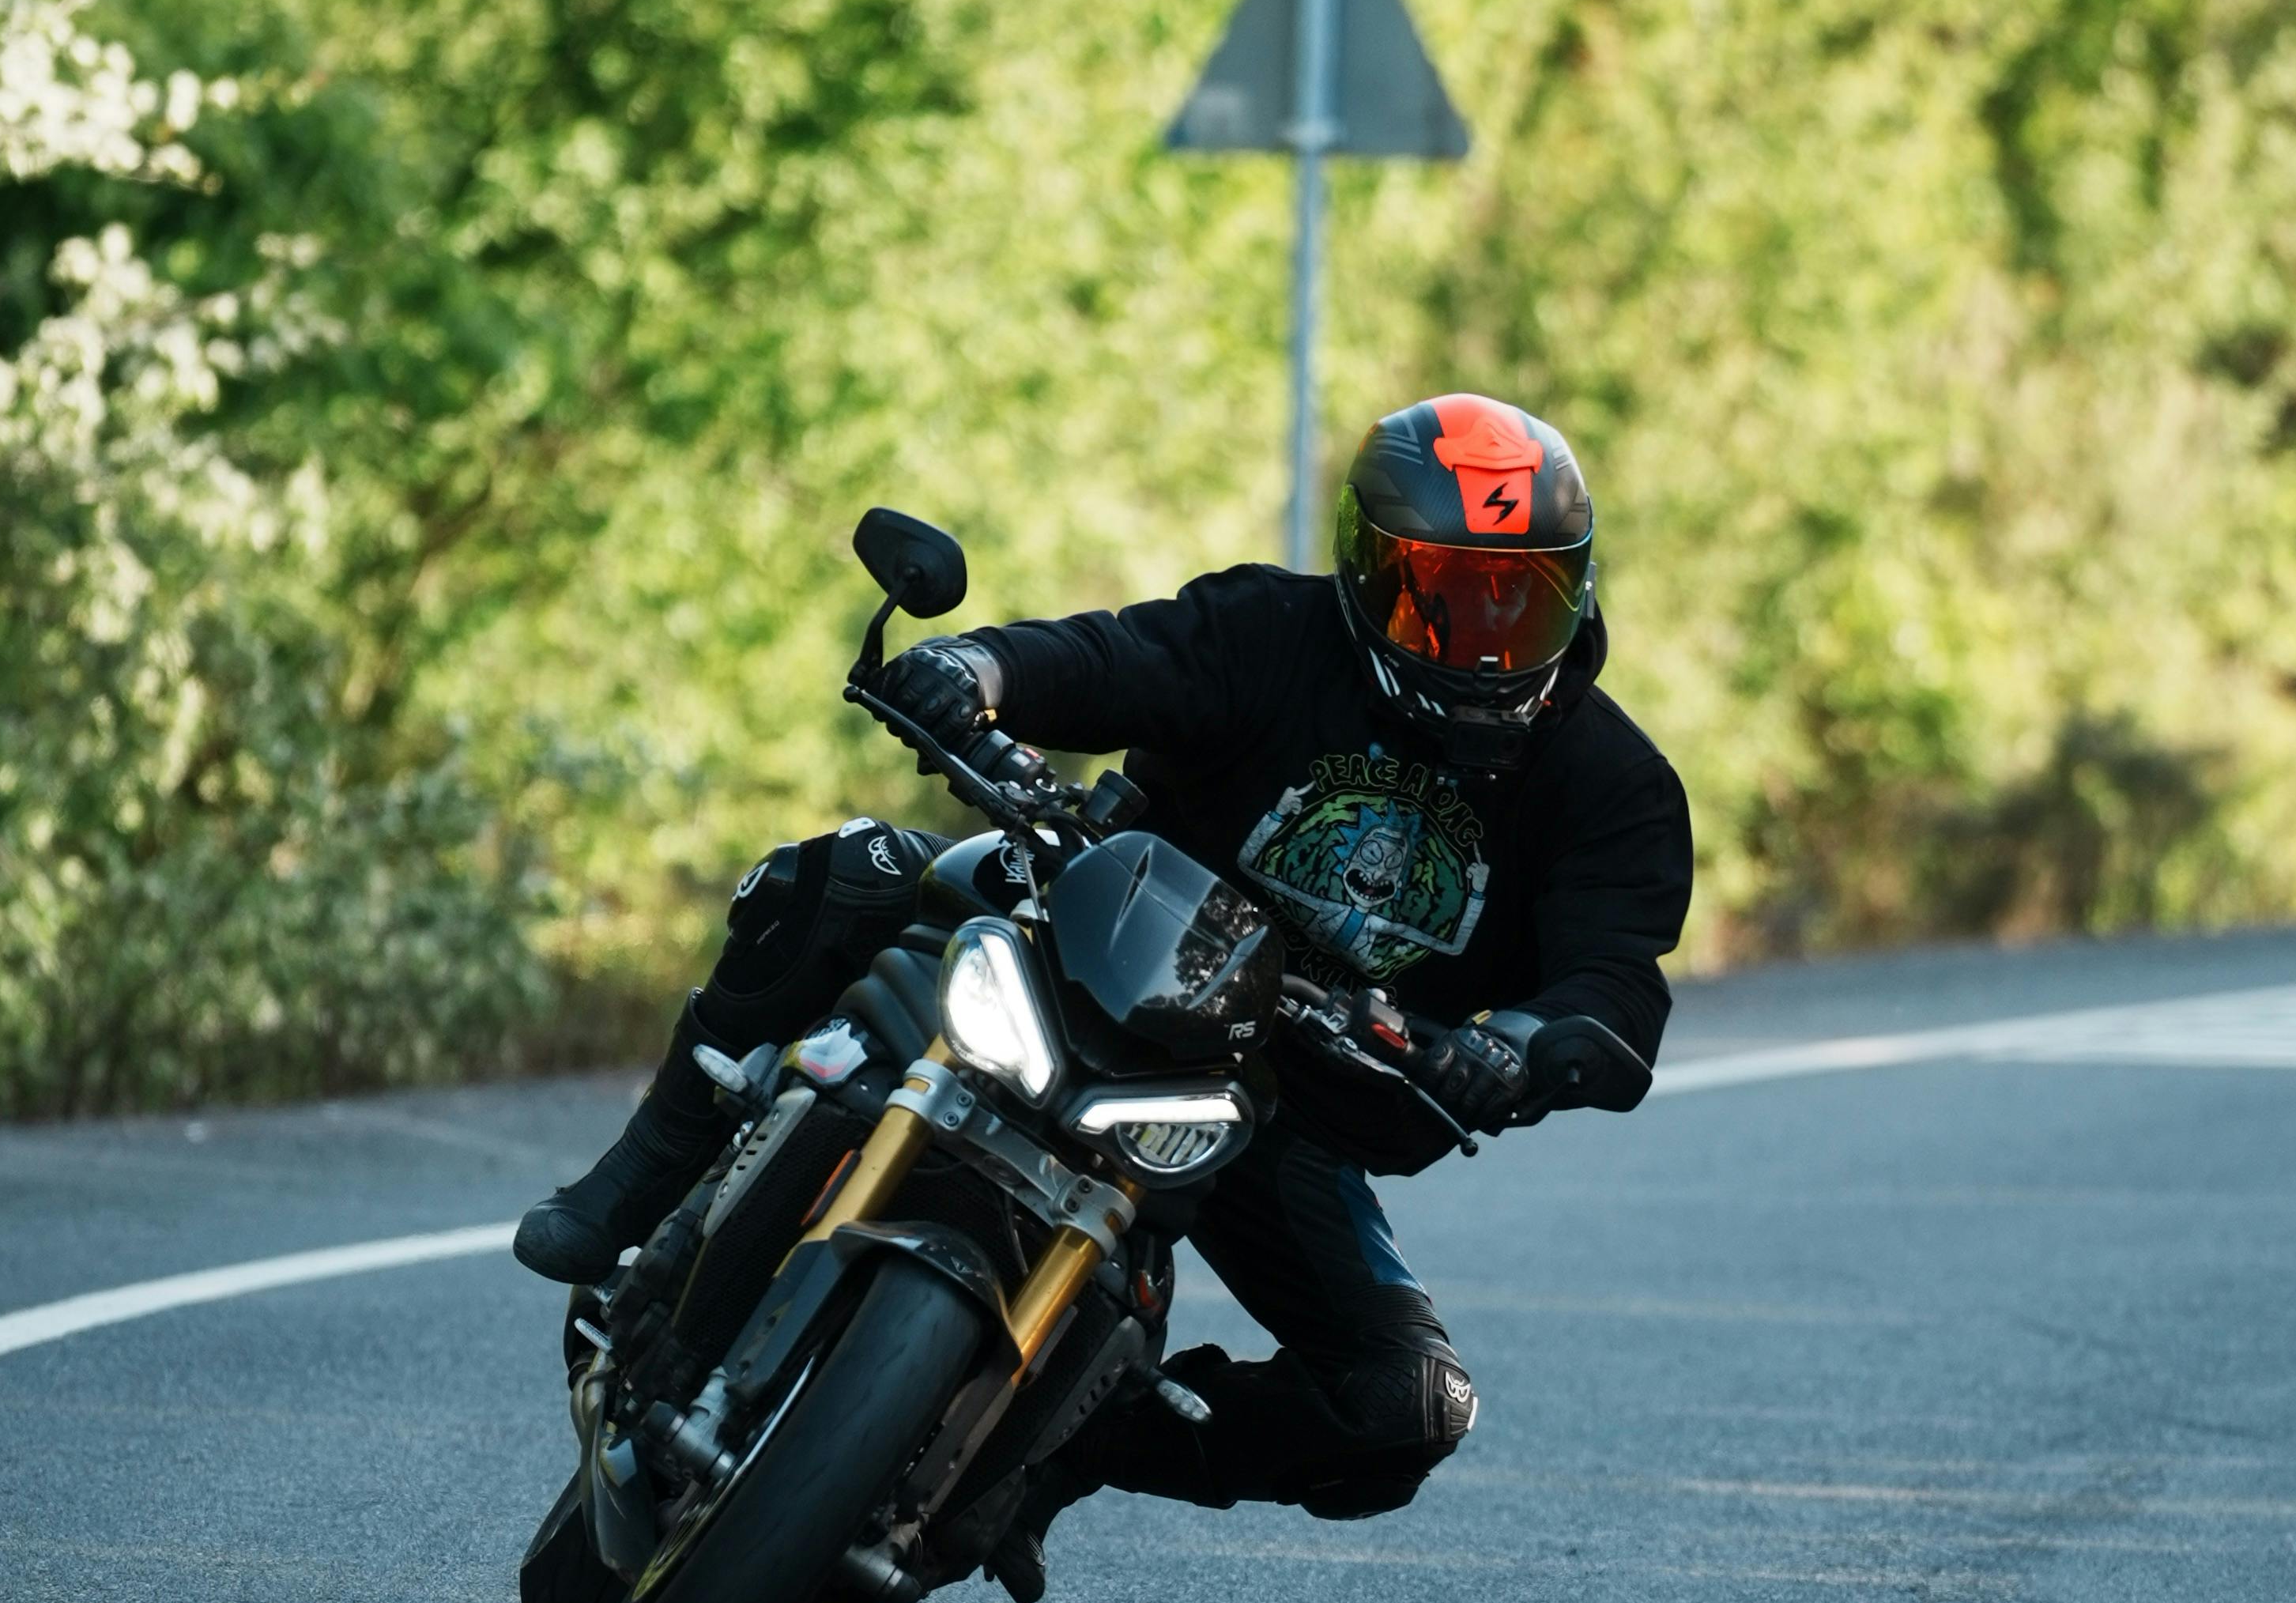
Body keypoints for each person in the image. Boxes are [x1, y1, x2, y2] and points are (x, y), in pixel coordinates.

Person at [513, 397, 1693, 1527]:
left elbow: (1614, 979)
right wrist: (978, 672)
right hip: (1091, 947)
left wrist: (1523, 1047)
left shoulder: (1612, 785)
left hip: (1288, 1104)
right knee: (847, 871)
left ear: (1577, 589)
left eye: (1518, 604)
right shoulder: (1273, 631)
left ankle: (1064, 1440)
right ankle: (638, 1177)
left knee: (1406, 1407)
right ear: (1371, 576)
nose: (1485, 646)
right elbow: (1114, 656)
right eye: (1446, 602)